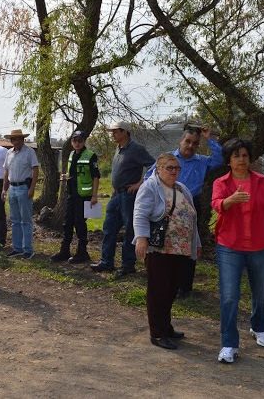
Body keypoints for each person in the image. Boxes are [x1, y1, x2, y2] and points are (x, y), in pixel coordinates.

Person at [211, 138, 264, 364]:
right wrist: (231, 200)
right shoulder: (221, 182)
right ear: (228, 160)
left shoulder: (262, 182)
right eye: (236, 156)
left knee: (261, 293)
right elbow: (217, 204)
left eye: (245, 155)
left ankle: (258, 327)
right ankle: (229, 344)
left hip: (261, 247)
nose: (241, 159)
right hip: (230, 247)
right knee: (229, 297)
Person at [144, 125, 223, 296]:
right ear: (181, 140)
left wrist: (209, 138)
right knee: (167, 244)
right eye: (187, 141)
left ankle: (185, 286)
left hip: (190, 204)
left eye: (195, 143)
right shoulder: (168, 160)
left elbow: (220, 159)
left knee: (189, 246)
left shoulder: (202, 161)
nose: (190, 146)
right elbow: (148, 177)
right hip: (167, 204)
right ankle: (167, 282)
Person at [134, 154, 201, 350]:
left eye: (177, 168)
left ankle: (166, 326)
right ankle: (157, 333)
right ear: (159, 168)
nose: (174, 171)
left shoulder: (182, 188)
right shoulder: (150, 186)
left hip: (180, 249)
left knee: (171, 289)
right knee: (159, 291)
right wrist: (141, 238)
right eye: (169, 167)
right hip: (159, 248)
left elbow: (192, 218)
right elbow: (140, 213)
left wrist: (196, 243)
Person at [92, 121, 155, 277]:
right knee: (109, 227)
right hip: (116, 194)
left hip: (129, 195)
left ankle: (128, 265)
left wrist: (141, 183)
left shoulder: (136, 149)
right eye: (112, 132)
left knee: (129, 230)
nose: (112, 134)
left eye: (115, 131)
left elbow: (154, 166)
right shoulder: (118, 149)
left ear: (125, 132)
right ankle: (107, 262)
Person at [51, 130, 100, 263]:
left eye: (80, 141)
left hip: (84, 196)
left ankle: (82, 252)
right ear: (72, 142)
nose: (77, 143)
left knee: (80, 223)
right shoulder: (72, 154)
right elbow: (74, 174)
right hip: (71, 194)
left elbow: (96, 176)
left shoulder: (91, 155)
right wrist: (65, 177)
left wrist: (94, 196)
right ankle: (64, 251)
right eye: (75, 140)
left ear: (84, 141)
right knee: (67, 223)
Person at [2, 129, 40, 259]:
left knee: (26, 220)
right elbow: (6, 172)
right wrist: (4, 189)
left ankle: (28, 249)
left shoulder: (29, 152)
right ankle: (17, 248)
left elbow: (35, 170)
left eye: (18, 138)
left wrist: (32, 188)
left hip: (24, 188)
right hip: (12, 188)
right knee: (15, 220)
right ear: (11, 140)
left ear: (22, 139)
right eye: (13, 139)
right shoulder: (9, 153)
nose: (16, 141)